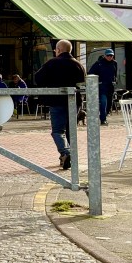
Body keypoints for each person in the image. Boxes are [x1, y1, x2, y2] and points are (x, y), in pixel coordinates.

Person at [34, 40, 87, 170]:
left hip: (56, 101)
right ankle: (70, 157)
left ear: (58, 50)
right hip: (74, 102)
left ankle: (65, 153)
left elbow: (38, 78)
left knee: (58, 131)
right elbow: (83, 83)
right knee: (70, 130)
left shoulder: (52, 63)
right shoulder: (78, 65)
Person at [87, 49, 119, 126]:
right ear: (105, 55)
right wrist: (96, 81)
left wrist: (115, 80)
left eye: (111, 55)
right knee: (103, 102)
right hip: (102, 86)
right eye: (108, 55)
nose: (109, 57)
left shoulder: (114, 63)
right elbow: (90, 73)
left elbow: (114, 73)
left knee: (109, 103)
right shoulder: (99, 63)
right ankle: (103, 119)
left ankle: (105, 114)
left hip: (110, 86)